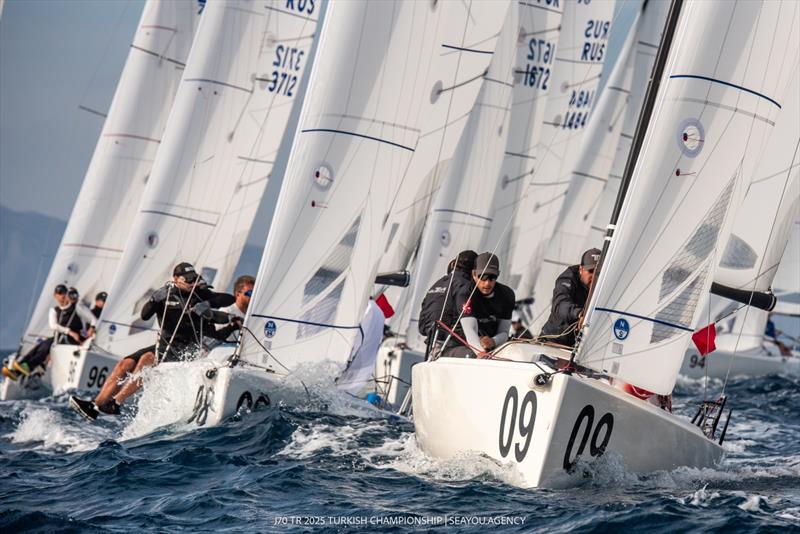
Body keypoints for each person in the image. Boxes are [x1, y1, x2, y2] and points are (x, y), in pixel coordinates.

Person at [69, 262, 237, 421]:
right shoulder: (164, 295)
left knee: (146, 359)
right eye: (188, 279)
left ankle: (116, 402)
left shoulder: (200, 294)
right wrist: (153, 300)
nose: (192, 282)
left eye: (194, 278)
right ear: (176, 279)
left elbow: (229, 299)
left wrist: (207, 303)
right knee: (124, 363)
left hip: (186, 347)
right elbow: (144, 316)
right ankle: (94, 406)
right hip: (166, 344)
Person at [3, 284, 97, 380]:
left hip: (72, 342)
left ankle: (26, 367)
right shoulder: (54, 310)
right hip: (59, 340)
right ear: (55, 296)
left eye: (64, 293)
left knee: (45, 348)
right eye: (60, 294)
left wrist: (92, 329)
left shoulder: (77, 307)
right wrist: (69, 331)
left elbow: (93, 320)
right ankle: (20, 367)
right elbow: (53, 325)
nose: (62, 296)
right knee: (40, 347)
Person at [445, 252, 515, 358]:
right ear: (474, 274)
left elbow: (504, 332)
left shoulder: (507, 295)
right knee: (473, 354)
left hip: (490, 347)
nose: (487, 283)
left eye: (492, 277)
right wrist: (481, 354)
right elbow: (470, 330)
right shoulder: (465, 293)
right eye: (483, 276)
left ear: (498, 275)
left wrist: (492, 341)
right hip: (461, 345)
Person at [417, 250, 477, 357]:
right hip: (449, 346)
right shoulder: (465, 286)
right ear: (473, 270)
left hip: (431, 348)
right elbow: (465, 319)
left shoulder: (437, 284)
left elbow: (422, 326)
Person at [539, 247, 600, 347]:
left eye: (598, 273)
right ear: (581, 269)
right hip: (553, 341)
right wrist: (580, 314)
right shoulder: (568, 278)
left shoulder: (604, 285)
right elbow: (560, 304)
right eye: (590, 271)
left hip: (580, 348)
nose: (594, 277)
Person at [217, 275, 255, 342]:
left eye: (254, 293)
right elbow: (216, 338)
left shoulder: (255, 316)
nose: (252, 296)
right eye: (250, 293)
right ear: (238, 294)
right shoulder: (225, 312)